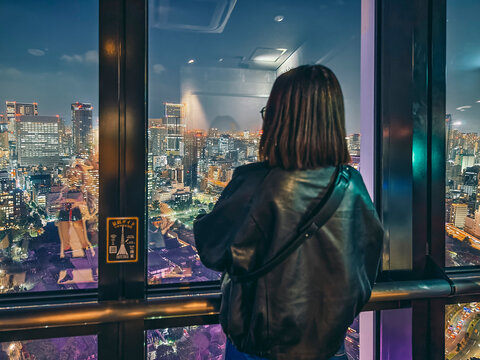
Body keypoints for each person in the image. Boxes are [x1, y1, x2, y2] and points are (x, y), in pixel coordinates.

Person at [194, 65, 383, 360]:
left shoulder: (255, 183)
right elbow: (368, 261)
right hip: (330, 351)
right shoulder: (352, 185)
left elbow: (212, 250)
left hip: (261, 351)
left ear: (279, 119)